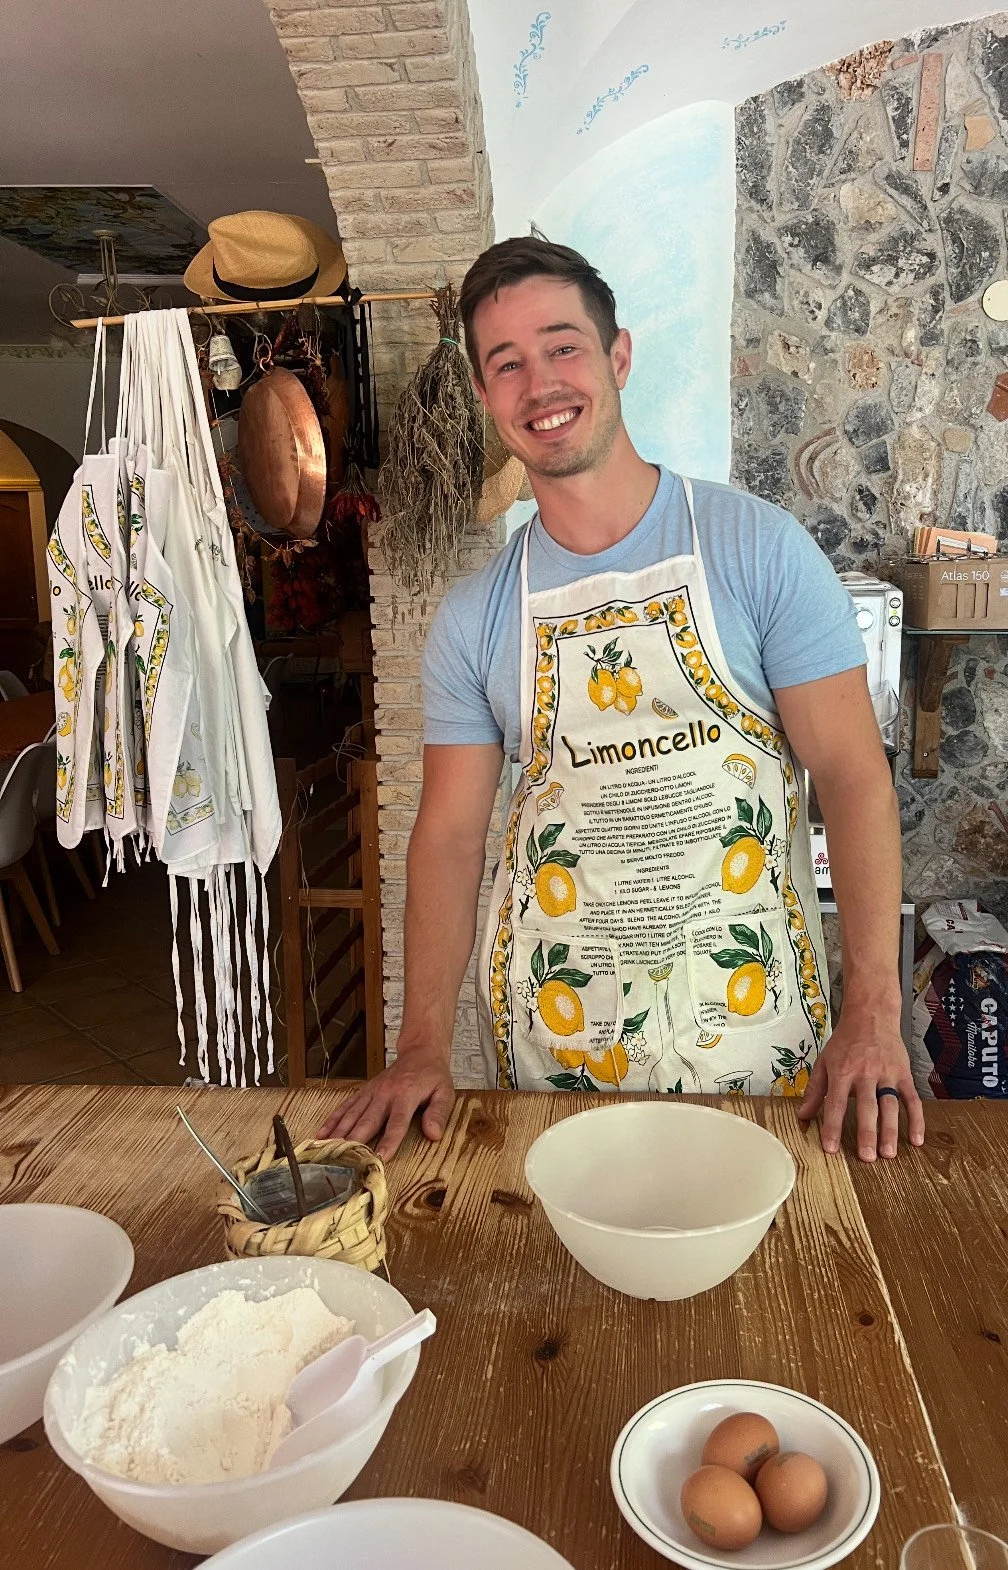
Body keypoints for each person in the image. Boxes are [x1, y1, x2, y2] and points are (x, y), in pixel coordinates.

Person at [321, 237, 923, 1163]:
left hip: (757, 1042)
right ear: (485, 398)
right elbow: (446, 835)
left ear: (619, 356)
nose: (540, 384)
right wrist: (421, 1047)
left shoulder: (757, 548)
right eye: (506, 363)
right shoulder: (477, 615)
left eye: (563, 346)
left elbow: (848, 772)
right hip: (560, 1050)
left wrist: (873, 1006)